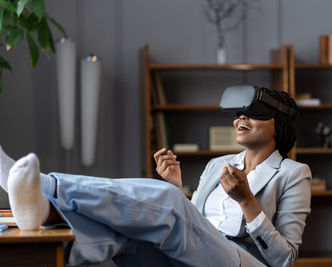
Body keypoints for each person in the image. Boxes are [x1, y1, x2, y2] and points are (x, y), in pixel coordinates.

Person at [0, 85, 311, 267]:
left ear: (279, 124)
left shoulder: (293, 173)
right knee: (124, 233)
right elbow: (194, 222)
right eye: (238, 113)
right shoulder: (218, 164)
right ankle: (45, 212)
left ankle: (47, 186)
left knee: (165, 199)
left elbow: (285, 260)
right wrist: (176, 187)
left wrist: (247, 203)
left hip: (242, 262)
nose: (242, 118)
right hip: (203, 251)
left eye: (253, 113)